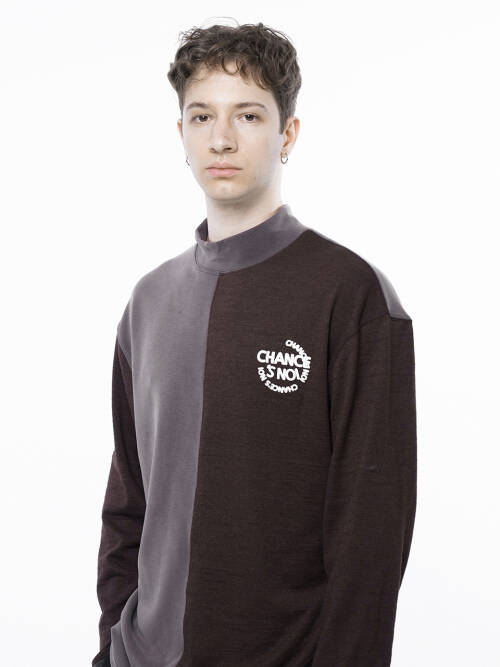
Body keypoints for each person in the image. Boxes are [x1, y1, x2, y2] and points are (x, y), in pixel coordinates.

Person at [92, 20, 417, 667]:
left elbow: (370, 540)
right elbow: (128, 504)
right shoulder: (148, 302)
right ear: (181, 134)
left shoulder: (350, 295)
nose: (222, 138)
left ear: (288, 133)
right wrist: (111, 645)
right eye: (202, 116)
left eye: (248, 114)